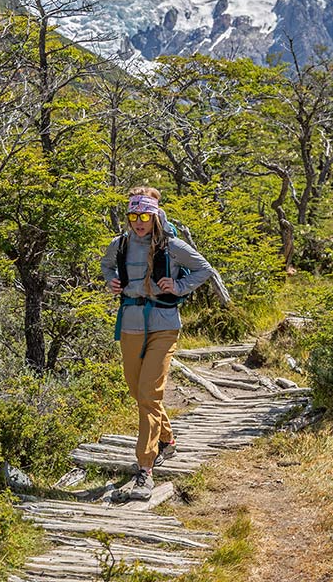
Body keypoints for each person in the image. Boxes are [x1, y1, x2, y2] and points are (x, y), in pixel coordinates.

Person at [101, 186, 214, 501]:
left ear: (155, 216)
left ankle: (145, 469)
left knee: (149, 396)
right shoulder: (120, 245)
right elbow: (106, 265)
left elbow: (204, 269)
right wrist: (111, 281)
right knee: (137, 391)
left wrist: (178, 286)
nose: (139, 222)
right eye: (134, 215)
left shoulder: (171, 245)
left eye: (145, 216)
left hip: (164, 326)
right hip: (131, 324)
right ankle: (167, 440)